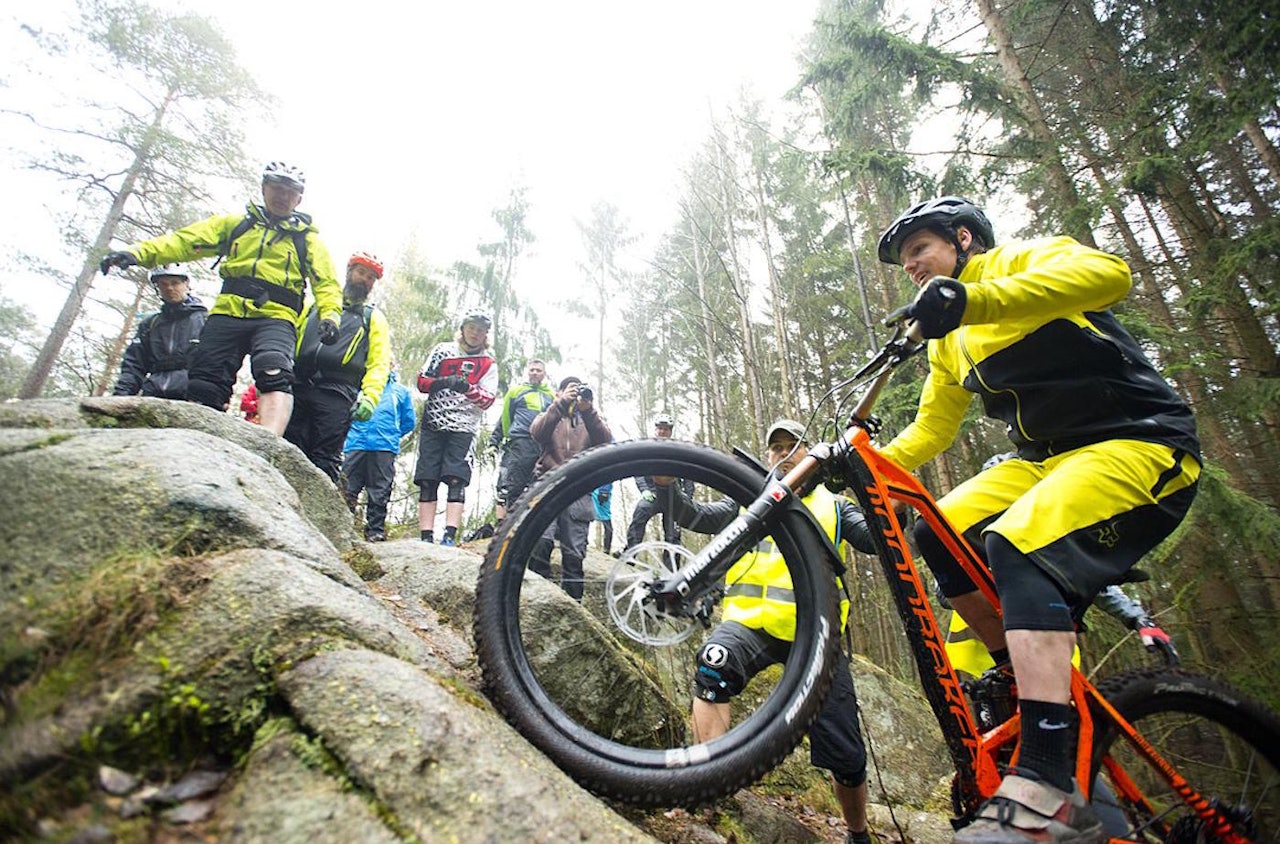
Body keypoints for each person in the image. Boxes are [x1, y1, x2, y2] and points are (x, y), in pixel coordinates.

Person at [876, 196, 1201, 844]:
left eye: (920, 249)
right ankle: (1021, 680)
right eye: (905, 259)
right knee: (934, 530)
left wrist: (974, 302)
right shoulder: (949, 340)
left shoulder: (1023, 262)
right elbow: (933, 429)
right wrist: (861, 462)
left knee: (1015, 544)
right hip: (1046, 460)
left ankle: (1049, 782)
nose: (910, 265)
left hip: (1138, 440)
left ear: (963, 239)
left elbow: (1111, 277)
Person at [659, 419, 877, 844]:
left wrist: (887, 501)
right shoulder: (749, 502)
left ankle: (858, 832)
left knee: (847, 756)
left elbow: (875, 538)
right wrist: (667, 485)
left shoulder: (835, 505)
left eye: (792, 445)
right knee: (712, 666)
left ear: (810, 450)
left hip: (817, 637)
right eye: (774, 448)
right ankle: (710, 783)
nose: (782, 453)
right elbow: (695, 516)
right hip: (748, 627)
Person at [100, 160, 343, 435]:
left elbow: (327, 283)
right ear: (264, 189)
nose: (282, 196)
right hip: (227, 312)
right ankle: (198, 437)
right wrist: (138, 254)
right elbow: (184, 241)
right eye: (276, 188)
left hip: (277, 316)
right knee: (205, 379)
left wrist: (330, 316)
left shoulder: (307, 241)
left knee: (273, 369)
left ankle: (270, 443)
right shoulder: (236, 225)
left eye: (289, 192)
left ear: (299, 198)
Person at [284, 251, 392, 483]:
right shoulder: (316, 307)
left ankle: (322, 515)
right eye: (361, 272)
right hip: (299, 384)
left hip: (338, 393)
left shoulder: (372, 318)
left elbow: (379, 363)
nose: (365, 280)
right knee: (287, 447)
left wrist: (370, 398)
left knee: (324, 457)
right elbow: (292, 336)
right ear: (349, 271)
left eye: (371, 277)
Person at [414, 312, 498, 546]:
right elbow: (421, 382)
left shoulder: (488, 364)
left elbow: (488, 400)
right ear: (463, 329)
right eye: (471, 328)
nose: (475, 333)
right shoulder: (442, 350)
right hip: (434, 422)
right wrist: (443, 382)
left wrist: (467, 388)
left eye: (480, 330)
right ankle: (426, 535)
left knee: (456, 479)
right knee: (427, 479)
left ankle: (449, 535)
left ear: (485, 335)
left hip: (463, 427)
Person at [527, 376, 613, 600]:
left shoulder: (590, 420)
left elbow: (605, 442)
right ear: (558, 393)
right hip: (547, 485)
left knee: (574, 556)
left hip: (578, 491)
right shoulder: (550, 415)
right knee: (540, 544)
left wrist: (588, 411)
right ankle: (535, 601)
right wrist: (560, 405)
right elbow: (537, 432)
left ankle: (573, 608)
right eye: (568, 390)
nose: (574, 395)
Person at [111, 265, 209, 399]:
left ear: (186, 283)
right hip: (153, 392)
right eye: (163, 284)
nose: (169, 288)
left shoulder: (206, 319)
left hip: (192, 393)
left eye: (175, 283)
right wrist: (121, 395)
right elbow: (134, 364)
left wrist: (217, 396)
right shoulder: (150, 324)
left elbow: (219, 361)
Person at [342, 370, 417, 542]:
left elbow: (409, 421)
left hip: (384, 446)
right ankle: (343, 527)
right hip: (356, 444)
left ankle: (375, 531)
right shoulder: (356, 387)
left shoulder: (400, 391)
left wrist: (392, 434)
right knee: (348, 488)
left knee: (380, 490)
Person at [491, 358, 556, 522]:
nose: (535, 373)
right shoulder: (516, 391)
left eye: (538, 370)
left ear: (544, 373)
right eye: (532, 370)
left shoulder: (551, 395)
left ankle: (530, 523)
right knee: (515, 484)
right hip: (520, 441)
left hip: (542, 444)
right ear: (527, 372)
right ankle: (510, 524)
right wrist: (503, 438)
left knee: (538, 483)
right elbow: (506, 417)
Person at [623, 413, 691, 551]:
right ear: (656, 430)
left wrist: (687, 496)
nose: (662, 431)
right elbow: (638, 471)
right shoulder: (648, 449)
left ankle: (671, 568)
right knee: (639, 514)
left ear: (670, 431)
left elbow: (689, 476)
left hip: (673, 495)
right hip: (653, 493)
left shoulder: (679, 451)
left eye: (665, 429)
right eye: (660, 428)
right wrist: (644, 490)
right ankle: (630, 553)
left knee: (673, 534)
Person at [591, 482, 615, 556]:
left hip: (602, 491)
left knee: (606, 520)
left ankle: (606, 549)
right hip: (599, 490)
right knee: (588, 514)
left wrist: (604, 491)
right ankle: (606, 549)